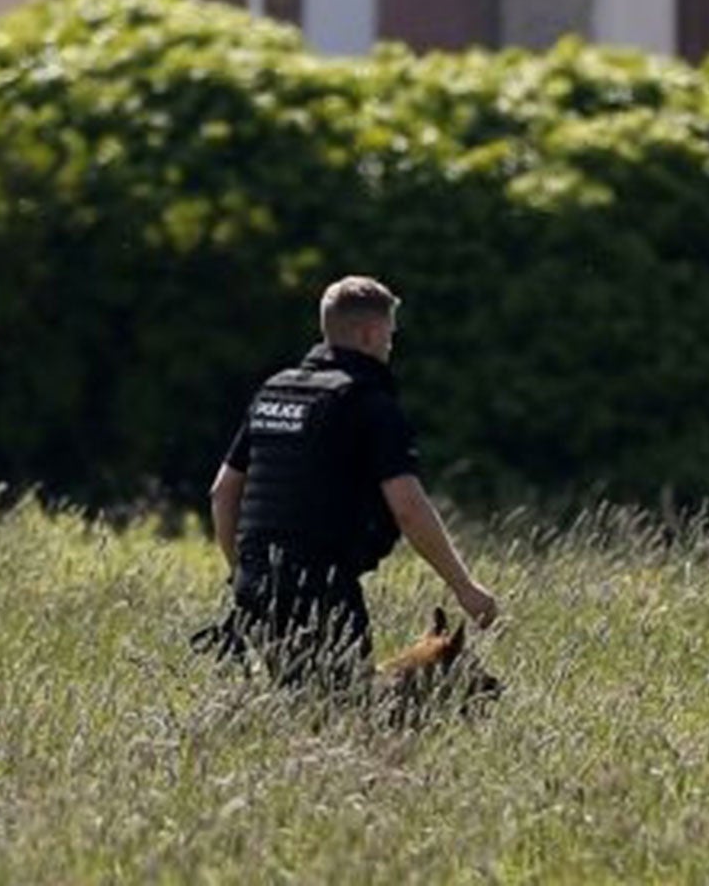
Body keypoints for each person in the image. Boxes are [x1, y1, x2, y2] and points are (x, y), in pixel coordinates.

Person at [207, 275, 498, 687]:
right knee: (344, 718)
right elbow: (408, 509)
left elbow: (222, 493)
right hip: (320, 590)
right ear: (369, 333)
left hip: (255, 588)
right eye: (390, 337)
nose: (390, 347)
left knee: (298, 713)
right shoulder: (368, 404)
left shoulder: (275, 391)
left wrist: (244, 574)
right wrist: (465, 588)